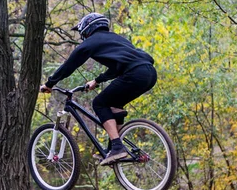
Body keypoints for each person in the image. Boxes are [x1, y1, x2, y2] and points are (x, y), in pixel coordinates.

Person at [39, 12, 157, 166]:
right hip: (149, 74)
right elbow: (117, 67)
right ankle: (114, 148)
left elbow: (69, 65)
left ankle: (117, 146)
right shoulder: (117, 39)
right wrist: (97, 80)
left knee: (99, 103)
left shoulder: (91, 42)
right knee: (114, 106)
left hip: (134, 74)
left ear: (87, 30)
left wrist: (50, 84)